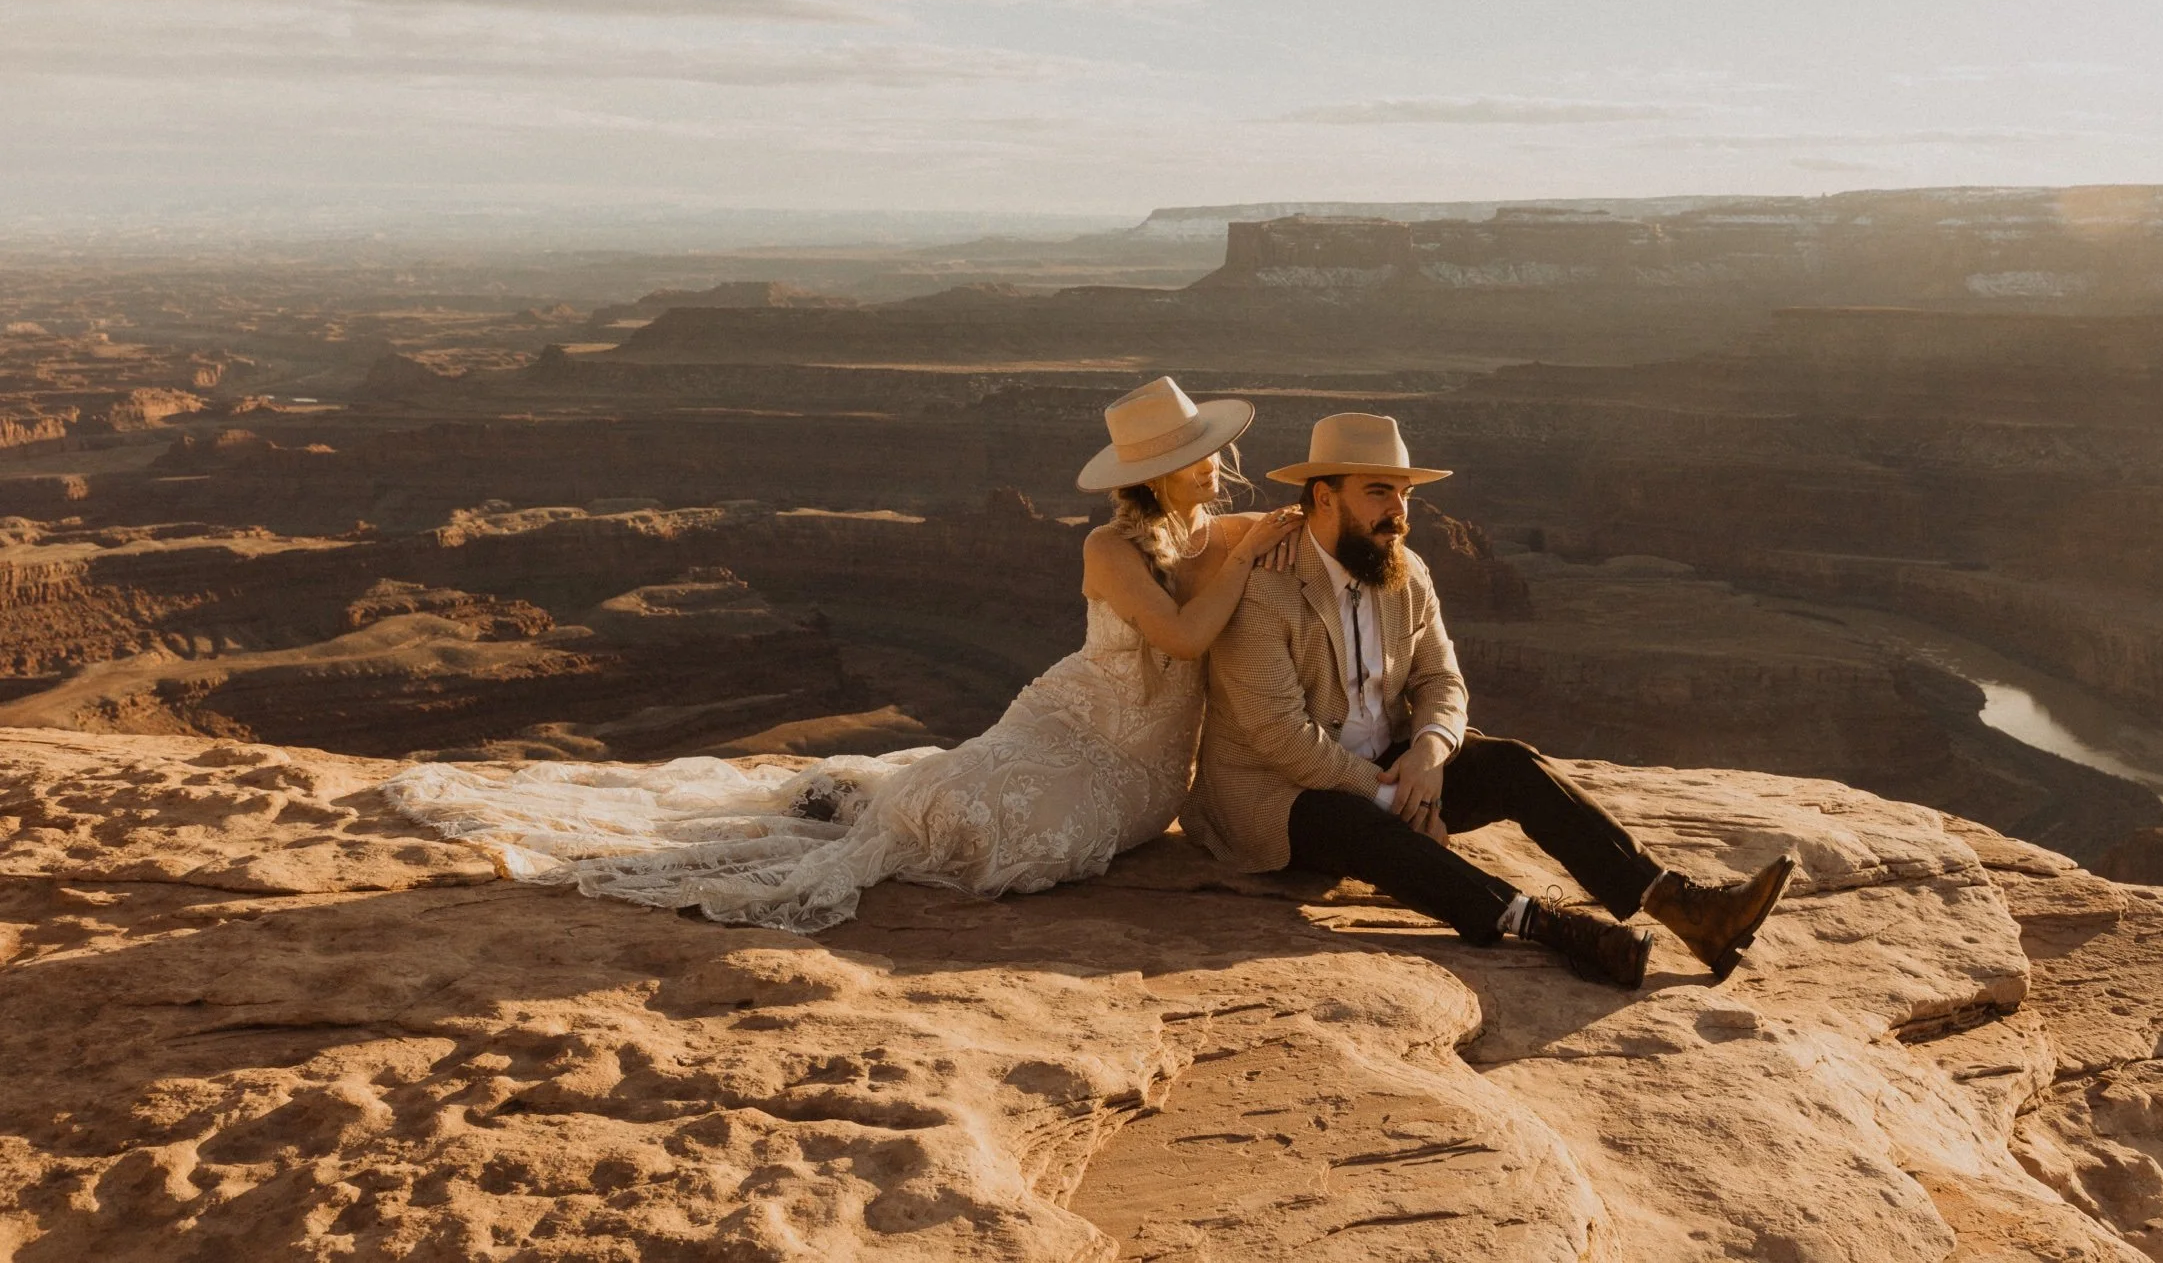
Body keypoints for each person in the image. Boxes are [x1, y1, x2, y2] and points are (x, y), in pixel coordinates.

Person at [386, 377, 1301, 933]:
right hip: (1077, 722)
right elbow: (1182, 636)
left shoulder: (1203, 531)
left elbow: (1300, 527)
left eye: (1214, 453)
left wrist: (1300, 522)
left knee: (1003, 833)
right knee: (954, 814)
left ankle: (862, 798)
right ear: (1157, 472)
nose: (1220, 467)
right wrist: (1251, 552)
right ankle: (855, 805)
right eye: (1201, 457)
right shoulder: (1112, 547)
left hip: (1145, 767)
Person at [1182, 411, 1795, 989]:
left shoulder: (1405, 571)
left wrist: (1429, 749)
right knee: (1358, 825)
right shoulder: (1267, 591)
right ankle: (1550, 926)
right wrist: (1393, 795)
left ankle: (1683, 907)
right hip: (1281, 798)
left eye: (1403, 494)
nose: (1398, 511)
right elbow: (1277, 736)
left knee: (1511, 764)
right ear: (1323, 498)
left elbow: (1442, 681)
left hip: (1392, 770)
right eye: (1378, 492)